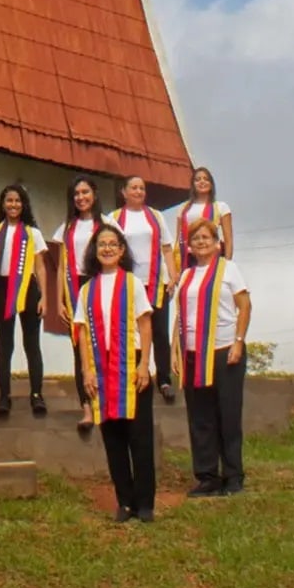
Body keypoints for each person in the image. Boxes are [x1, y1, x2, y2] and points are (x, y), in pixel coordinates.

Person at [73, 225, 155, 523]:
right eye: (101, 244)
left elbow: (145, 325)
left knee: (140, 436)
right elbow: (81, 334)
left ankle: (145, 503)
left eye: (113, 244)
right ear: (95, 251)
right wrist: (86, 372)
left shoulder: (132, 283)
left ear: (122, 250)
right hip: (100, 366)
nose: (107, 248)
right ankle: (125, 501)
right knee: (113, 437)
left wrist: (145, 364)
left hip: (131, 364)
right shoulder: (86, 289)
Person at [172, 218, 252, 498]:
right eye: (196, 239)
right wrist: (175, 350)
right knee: (200, 416)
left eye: (206, 237)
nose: (201, 242)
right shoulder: (185, 276)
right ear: (190, 247)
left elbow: (245, 306)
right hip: (193, 354)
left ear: (217, 242)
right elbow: (181, 317)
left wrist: (239, 342)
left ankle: (233, 475)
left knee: (227, 415)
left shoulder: (229, 270)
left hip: (224, 351)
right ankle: (207, 476)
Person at [53, 176, 120, 431]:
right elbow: (61, 267)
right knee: (80, 348)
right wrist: (59, 300)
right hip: (75, 289)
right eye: (76, 194)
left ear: (94, 193)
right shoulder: (67, 228)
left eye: (85, 192)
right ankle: (87, 409)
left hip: (101, 284)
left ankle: (110, 403)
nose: (81, 197)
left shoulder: (107, 223)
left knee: (107, 345)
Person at [112, 177, 179, 403]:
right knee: (130, 332)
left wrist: (172, 275)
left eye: (142, 188)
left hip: (155, 282)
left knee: (160, 331)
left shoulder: (156, 216)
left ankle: (164, 379)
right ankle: (134, 373)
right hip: (128, 283)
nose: (139, 191)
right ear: (124, 192)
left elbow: (167, 248)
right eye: (134, 188)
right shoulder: (114, 218)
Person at [0, 185, 49, 417]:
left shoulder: (33, 233)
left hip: (28, 288)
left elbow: (40, 267)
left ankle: (36, 394)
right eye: (9, 200)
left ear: (24, 204)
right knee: (5, 345)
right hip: (2, 288)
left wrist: (45, 297)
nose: (13, 205)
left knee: (31, 344)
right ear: (3, 204)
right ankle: (4, 396)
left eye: (18, 201)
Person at [174, 167, 234, 271]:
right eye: (198, 179)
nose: (202, 182)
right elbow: (178, 238)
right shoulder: (183, 208)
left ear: (211, 184)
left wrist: (227, 266)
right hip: (187, 258)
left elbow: (228, 240)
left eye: (206, 179)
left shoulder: (221, 207)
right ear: (193, 185)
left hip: (211, 255)